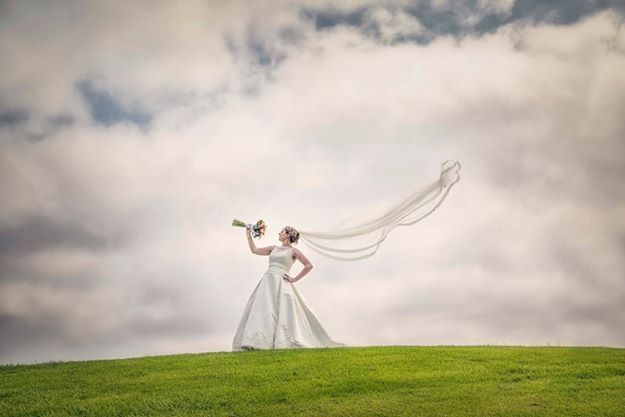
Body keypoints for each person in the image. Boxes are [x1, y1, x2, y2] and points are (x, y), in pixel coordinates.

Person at [232, 224, 345, 351]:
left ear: (288, 235)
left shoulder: (293, 251)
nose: (279, 233)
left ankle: (278, 341)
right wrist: (248, 235)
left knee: (280, 311)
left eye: (282, 231)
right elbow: (254, 250)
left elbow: (308, 265)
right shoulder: (273, 248)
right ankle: (258, 342)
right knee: (265, 310)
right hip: (268, 281)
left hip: (282, 281)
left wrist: (294, 279)